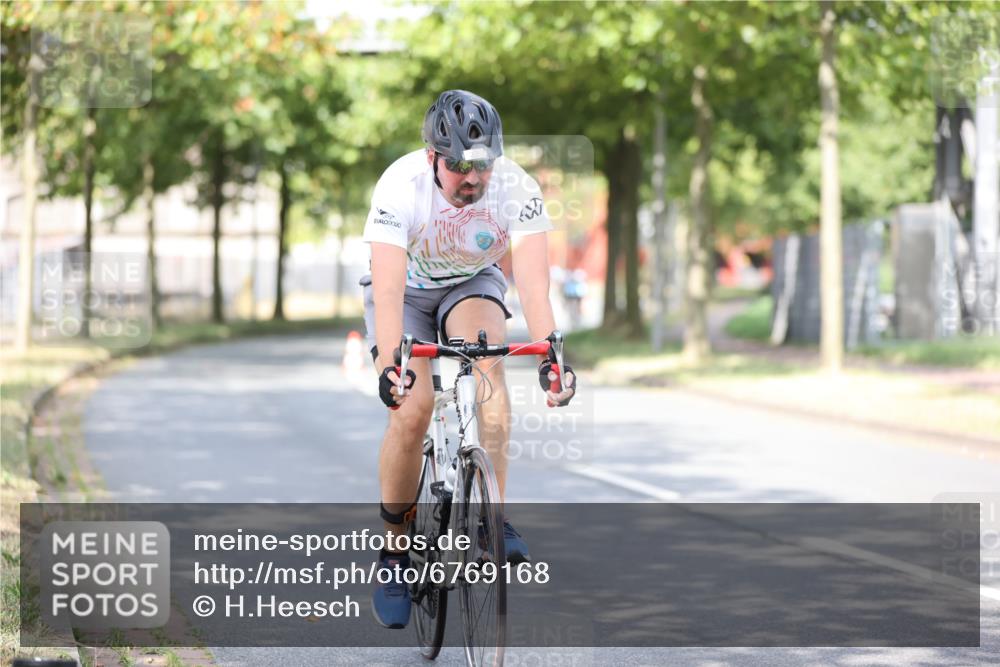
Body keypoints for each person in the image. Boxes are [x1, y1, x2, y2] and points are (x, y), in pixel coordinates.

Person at [360, 89, 577, 629]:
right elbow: (386, 291)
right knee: (412, 409)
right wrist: (394, 366)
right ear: (432, 156)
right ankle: (393, 553)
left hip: (471, 284)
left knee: (488, 370)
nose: (471, 180)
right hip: (406, 291)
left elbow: (531, 283)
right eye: (457, 166)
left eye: (480, 167)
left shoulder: (516, 188)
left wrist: (553, 356)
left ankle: (490, 520)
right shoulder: (399, 185)